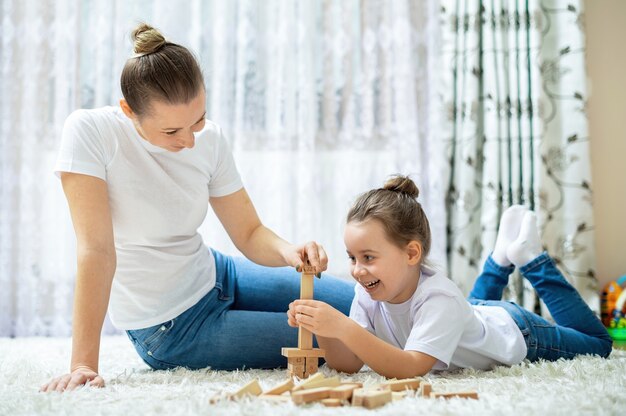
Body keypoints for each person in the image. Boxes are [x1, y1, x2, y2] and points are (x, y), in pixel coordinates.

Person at [40, 23, 354, 393]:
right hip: (171, 328)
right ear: (129, 111)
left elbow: (249, 232)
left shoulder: (209, 139)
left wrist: (289, 251)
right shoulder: (91, 133)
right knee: (350, 338)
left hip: (219, 275)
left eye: (198, 120)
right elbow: (96, 251)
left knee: (363, 308)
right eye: (172, 132)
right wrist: (83, 364)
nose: (190, 140)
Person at [288, 176, 613, 379]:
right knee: (468, 308)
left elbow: (412, 366)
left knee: (598, 344)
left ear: (412, 254)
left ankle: (530, 259)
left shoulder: (439, 298)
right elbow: (348, 364)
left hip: (518, 331)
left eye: (368, 258)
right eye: (353, 258)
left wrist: (344, 327)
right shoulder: (368, 292)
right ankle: (499, 259)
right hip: (471, 314)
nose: (357, 270)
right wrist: (325, 329)